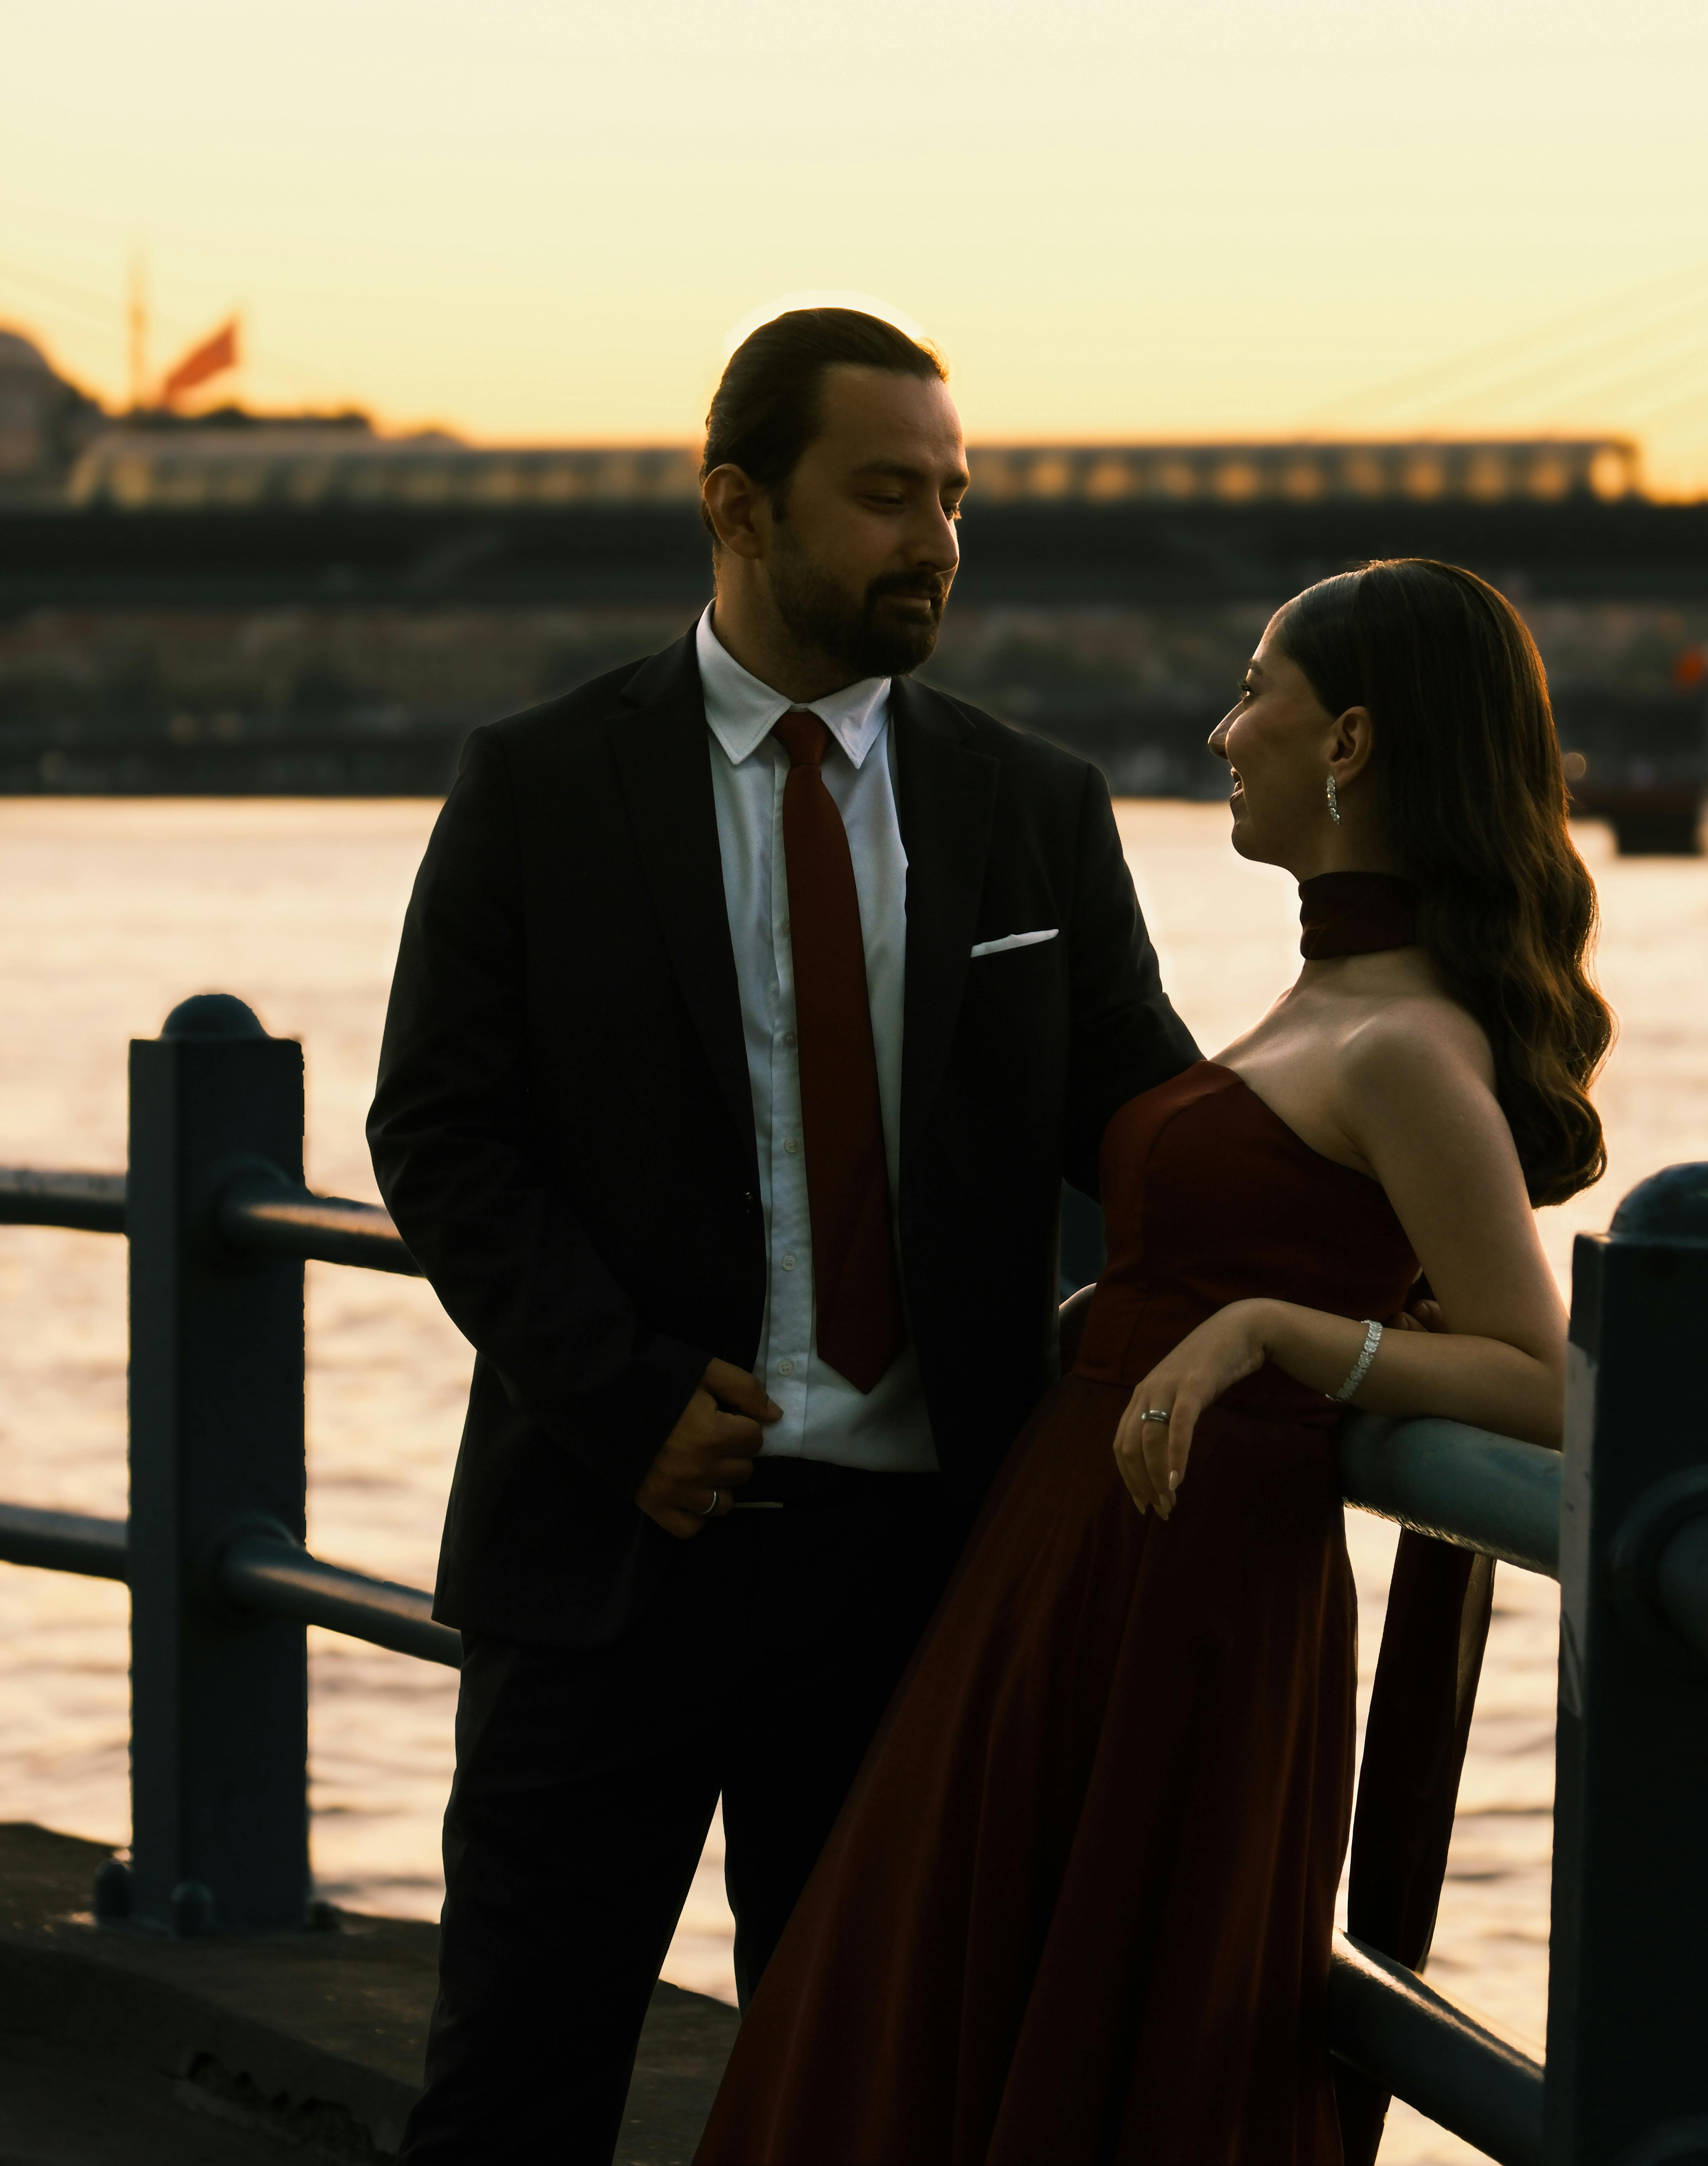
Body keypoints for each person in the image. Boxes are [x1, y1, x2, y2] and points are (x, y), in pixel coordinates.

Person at [365, 307, 1199, 2161]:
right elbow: (440, 1131)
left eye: (956, 498)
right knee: (514, 2088)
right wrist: (625, 1398)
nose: (938, 540)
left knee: (877, 2108)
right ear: (736, 504)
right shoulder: (539, 781)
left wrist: (1395, 1129)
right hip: (611, 1544)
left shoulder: (1034, 805)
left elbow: (1154, 1128)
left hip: (918, 1579)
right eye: (888, 495)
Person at [695, 555, 1614, 2166]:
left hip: (1183, 1601)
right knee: (940, 1998)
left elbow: (1541, 1377)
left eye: (1255, 692)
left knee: (1087, 2028)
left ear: (1349, 743)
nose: (1221, 732)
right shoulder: (1326, 1002)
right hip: (1081, 1562)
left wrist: (1262, 1333)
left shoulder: (1404, 1045)